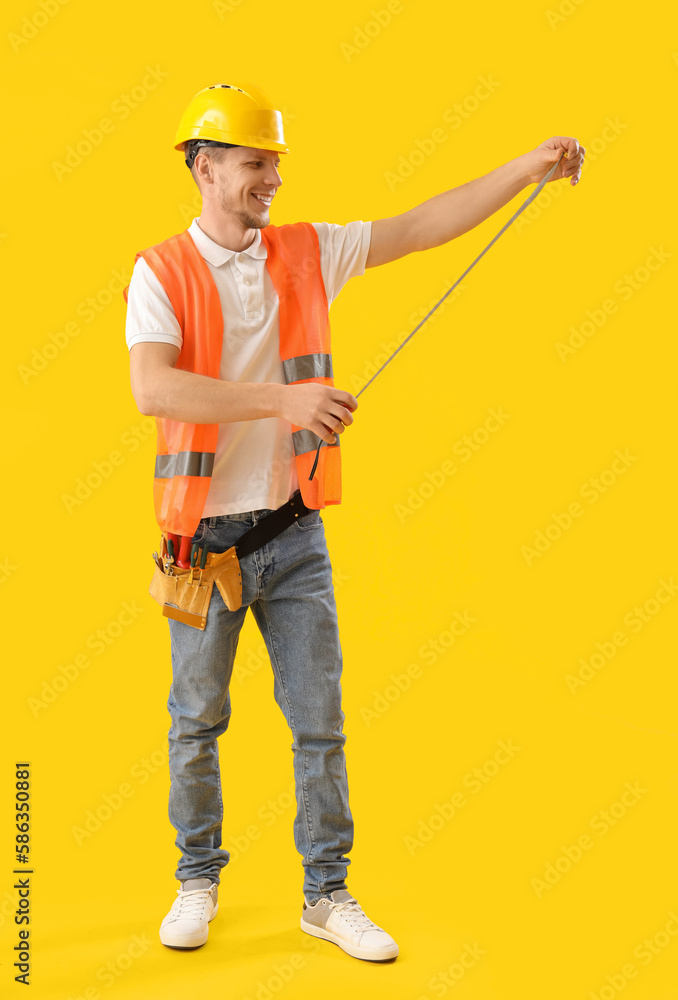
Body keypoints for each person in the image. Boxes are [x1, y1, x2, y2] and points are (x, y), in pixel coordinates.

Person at [124, 81, 584, 962]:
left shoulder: (307, 252)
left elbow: (420, 226)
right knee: (195, 721)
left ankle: (326, 894)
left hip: (294, 534)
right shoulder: (161, 273)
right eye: (257, 163)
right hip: (202, 545)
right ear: (206, 166)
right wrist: (283, 401)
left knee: (319, 721)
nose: (273, 180)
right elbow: (155, 389)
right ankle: (197, 877)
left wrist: (529, 165)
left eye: (277, 164)